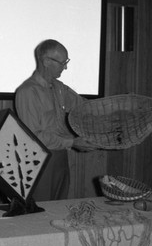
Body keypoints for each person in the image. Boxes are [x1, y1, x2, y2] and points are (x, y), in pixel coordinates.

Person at [15, 39, 94, 201]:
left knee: (58, 209)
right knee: (40, 215)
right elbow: (34, 137)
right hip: (38, 162)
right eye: (62, 62)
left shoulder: (59, 88)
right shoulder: (28, 92)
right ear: (46, 61)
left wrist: (114, 109)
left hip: (61, 157)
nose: (65, 67)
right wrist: (72, 143)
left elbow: (85, 107)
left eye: (66, 62)